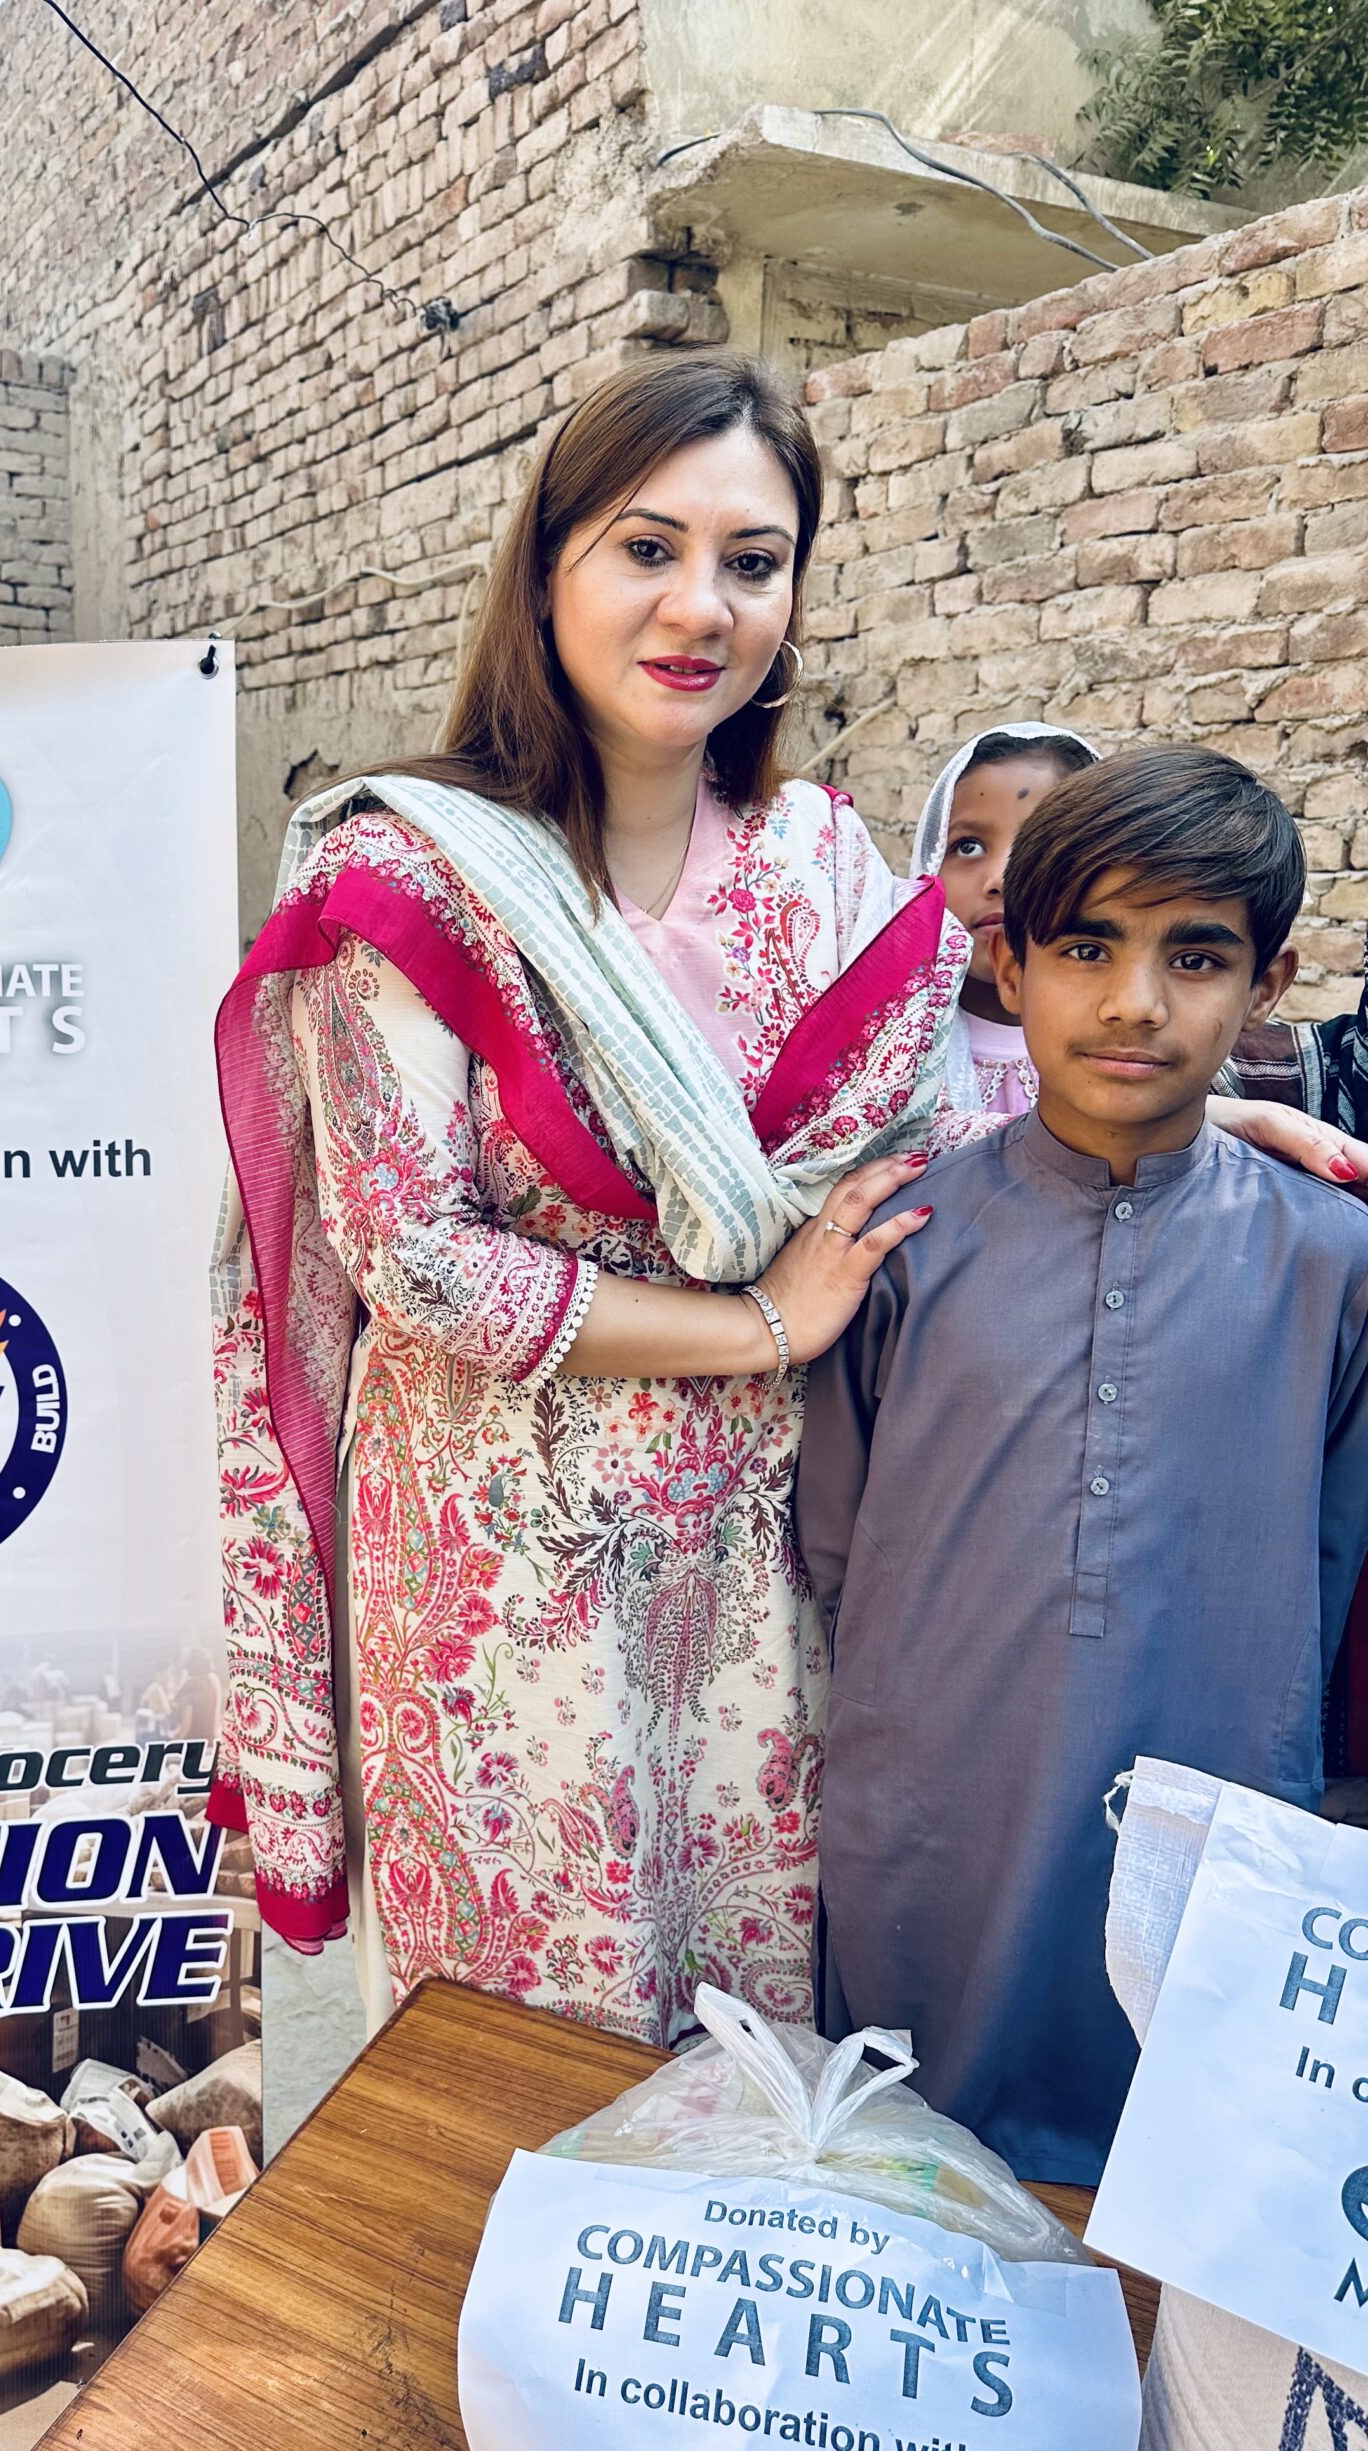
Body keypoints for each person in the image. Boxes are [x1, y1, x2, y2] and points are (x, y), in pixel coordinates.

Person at [210, 353, 968, 2048]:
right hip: (502, 1558)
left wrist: (1184, 1131)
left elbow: (923, 1136)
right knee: (522, 2039)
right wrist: (760, 1323)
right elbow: (414, 1255)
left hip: (764, 1552)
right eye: (647, 548)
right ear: (547, 566)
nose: (702, 607)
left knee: (754, 2023)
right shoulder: (414, 873)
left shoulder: (820, 868)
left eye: (753, 561)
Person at [797, 745, 1368, 2181]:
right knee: (913, 2167)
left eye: (1196, 957)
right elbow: (840, 1550)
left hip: (1213, 1805)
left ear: (1270, 983)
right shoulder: (906, 1244)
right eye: (1087, 948)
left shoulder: (1333, 1262)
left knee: (1172, 2179)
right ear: (1012, 962)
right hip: (933, 1807)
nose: (1134, 1002)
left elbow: (1331, 1554)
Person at [911, 723, 1098, 1117]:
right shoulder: (897, 1057)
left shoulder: (1122, 1044)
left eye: (1041, 849)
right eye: (968, 846)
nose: (1001, 879)